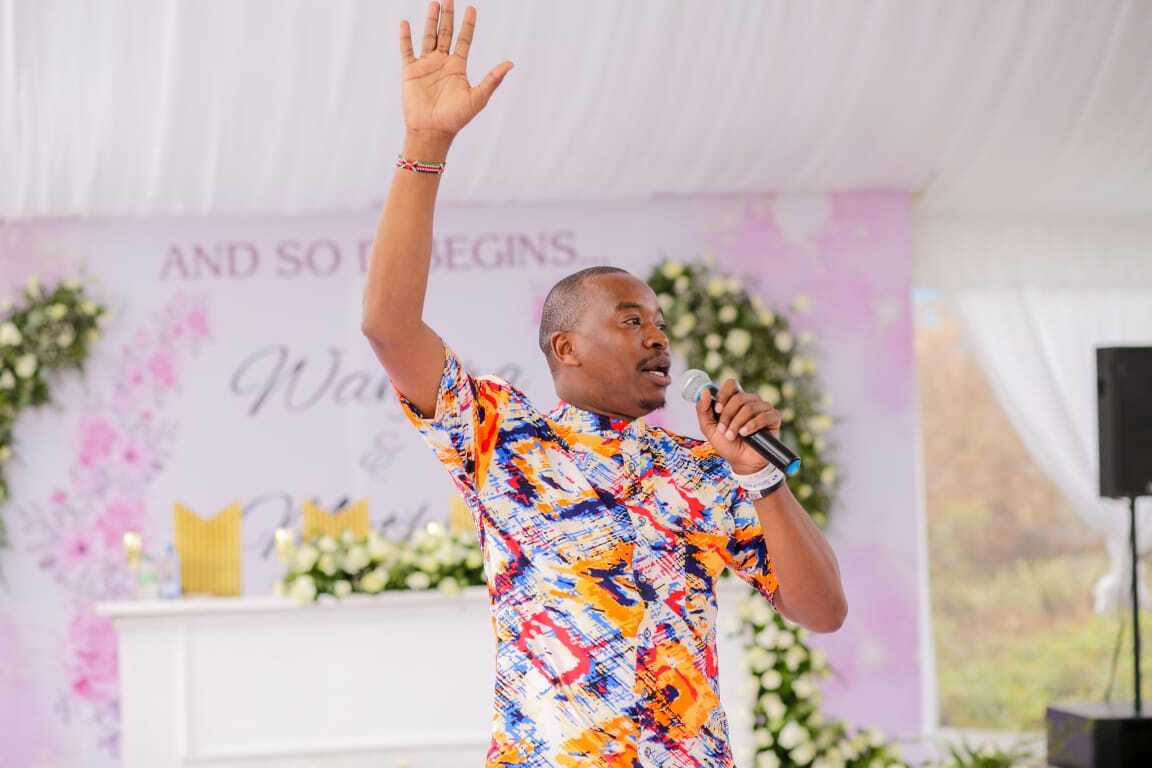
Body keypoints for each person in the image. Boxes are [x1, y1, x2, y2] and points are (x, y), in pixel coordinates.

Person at [361, 2, 847, 765]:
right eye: (630, 320)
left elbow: (822, 612)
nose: (657, 335)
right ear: (567, 347)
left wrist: (763, 479)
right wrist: (426, 144)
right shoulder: (502, 439)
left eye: (660, 322)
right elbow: (390, 326)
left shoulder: (704, 470)